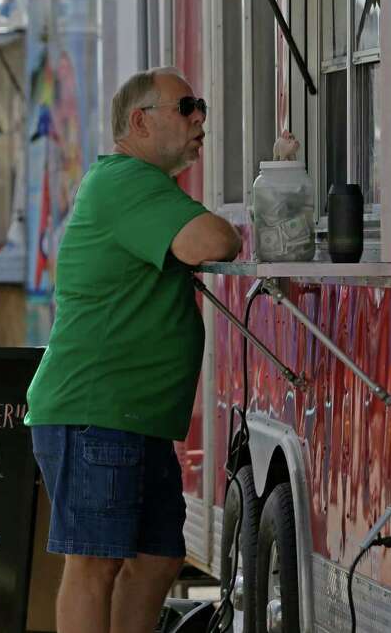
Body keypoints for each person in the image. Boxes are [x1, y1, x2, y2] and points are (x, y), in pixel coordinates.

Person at [26, 68, 241, 633]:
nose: (200, 118)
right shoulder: (126, 179)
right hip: (96, 410)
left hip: (129, 415)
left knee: (158, 557)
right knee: (94, 562)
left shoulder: (139, 186)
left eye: (201, 107)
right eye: (186, 107)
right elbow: (211, 241)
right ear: (140, 121)